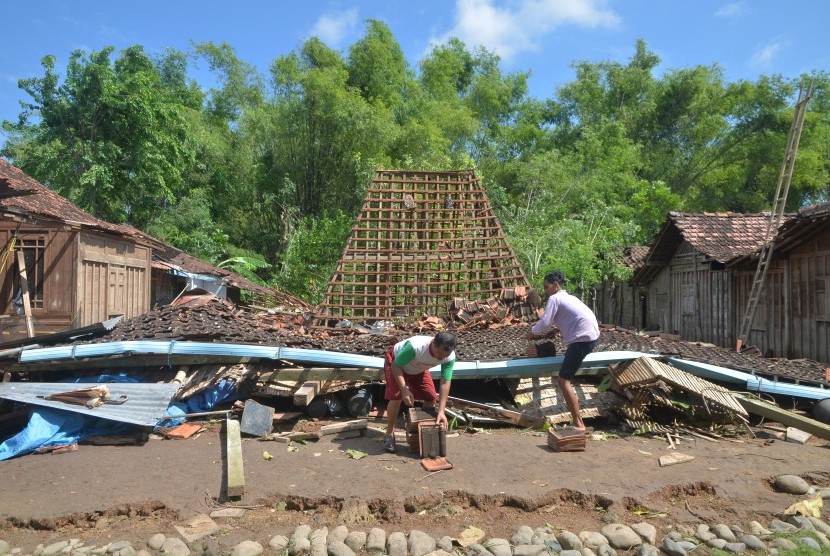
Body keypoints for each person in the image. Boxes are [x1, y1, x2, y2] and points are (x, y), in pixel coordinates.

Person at [525, 271, 599, 433]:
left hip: (581, 340)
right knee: (566, 373)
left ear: (556, 285)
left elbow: (545, 320)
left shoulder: (555, 298)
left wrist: (532, 332)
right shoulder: (570, 297)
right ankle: (578, 421)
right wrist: (558, 329)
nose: (545, 291)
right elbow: (572, 316)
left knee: (563, 380)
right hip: (590, 337)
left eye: (547, 287)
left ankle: (579, 424)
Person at [382, 332, 457, 453]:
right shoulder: (416, 347)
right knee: (397, 396)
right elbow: (396, 366)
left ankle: (421, 434)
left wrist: (441, 411)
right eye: (440, 353)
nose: (442, 357)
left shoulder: (449, 356)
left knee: (430, 397)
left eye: (445, 355)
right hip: (396, 364)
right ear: (433, 343)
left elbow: (445, 381)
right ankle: (389, 435)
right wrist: (404, 390)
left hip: (418, 368)